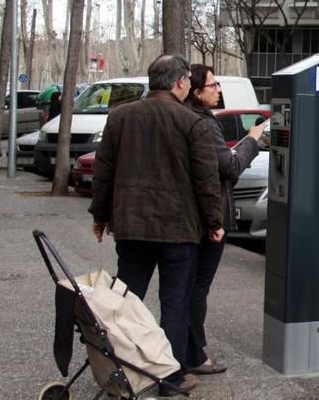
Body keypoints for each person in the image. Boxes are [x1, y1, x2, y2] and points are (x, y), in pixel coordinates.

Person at [89, 54, 224, 397]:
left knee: (125, 303)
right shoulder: (191, 122)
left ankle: (122, 372)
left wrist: (100, 216)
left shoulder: (120, 118)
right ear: (180, 82)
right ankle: (171, 378)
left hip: (132, 228)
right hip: (178, 232)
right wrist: (215, 223)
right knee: (175, 305)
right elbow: (206, 180)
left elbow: (103, 172)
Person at [184, 64, 263, 375]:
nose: (219, 90)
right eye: (213, 85)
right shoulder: (202, 122)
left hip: (191, 217)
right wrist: (252, 140)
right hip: (207, 219)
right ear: (196, 91)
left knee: (188, 287)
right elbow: (228, 167)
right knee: (196, 288)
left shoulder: (189, 117)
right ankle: (194, 354)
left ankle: (188, 349)